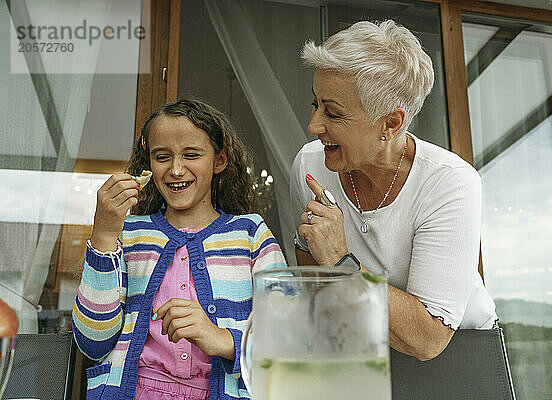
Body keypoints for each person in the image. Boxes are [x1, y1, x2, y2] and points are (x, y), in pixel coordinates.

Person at [291, 20, 497, 361]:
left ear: (391, 123)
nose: (313, 125)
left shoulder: (450, 183)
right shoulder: (310, 166)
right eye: (316, 104)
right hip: (362, 346)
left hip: (461, 353)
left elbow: (427, 339)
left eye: (333, 113)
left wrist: (341, 263)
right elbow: (314, 284)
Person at [73, 99, 286, 400]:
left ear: (219, 161)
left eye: (191, 154)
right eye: (162, 157)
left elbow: (290, 341)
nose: (175, 169)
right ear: (149, 164)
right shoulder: (130, 235)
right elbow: (92, 341)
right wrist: (105, 234)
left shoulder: (251, 235)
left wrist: (223, 340)